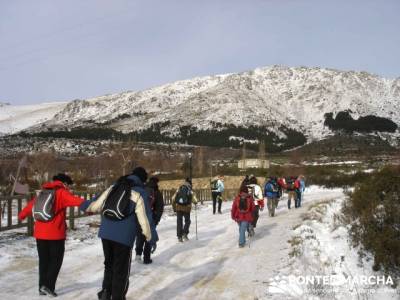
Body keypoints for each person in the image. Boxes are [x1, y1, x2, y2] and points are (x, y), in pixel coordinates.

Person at [80, 167, 158, 300]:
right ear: (143, 180)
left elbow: (93, 205)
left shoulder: (113, 187)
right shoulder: (139, 193)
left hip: (106, 234)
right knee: (121, 271)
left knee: (109, 266)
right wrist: (152, 239)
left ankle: (105, 293)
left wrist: (82, 204)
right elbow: (145, 221)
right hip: (123, 238)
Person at [18, 173, 84, 297]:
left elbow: (29, 207)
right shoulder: (61, 193)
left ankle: (41, 287)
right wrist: (92, 206)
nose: (69, 188)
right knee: (56, 260)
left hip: (40, 234)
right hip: (55, 235)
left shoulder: (43, 192)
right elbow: (77, 201)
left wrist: (21, 216)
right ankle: (48, 286)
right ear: (64, 183)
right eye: (68, 185)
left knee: (44, 261)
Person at [135, 176, 164, 264]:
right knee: (149, 237)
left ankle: (138, 255)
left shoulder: (142, 189)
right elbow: (159, 208)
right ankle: (147, 258)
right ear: (156, 183)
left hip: (140, 217)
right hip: (151, 218)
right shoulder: (157, 192)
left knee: (140, 235)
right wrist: (156, 220)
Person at [172, 178, 198, 242]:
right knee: (187, 221)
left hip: (178, 207)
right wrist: (195, 202)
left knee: (179, 222)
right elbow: (195, 200)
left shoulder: (179, 188)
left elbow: (173, 198)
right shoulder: (190, 189)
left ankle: (179, 237)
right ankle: (185, 234)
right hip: (186, 208)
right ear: (190, 183)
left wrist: (174, 208)